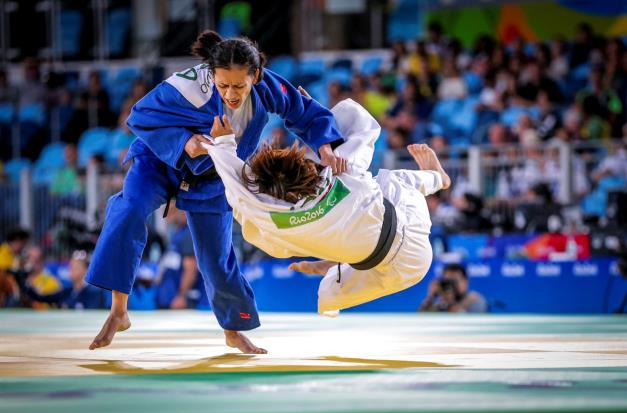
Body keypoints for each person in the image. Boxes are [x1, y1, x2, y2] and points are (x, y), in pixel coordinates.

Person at [85, 30, 345, 354]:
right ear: (212, 74)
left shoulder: (267, 87)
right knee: (129, 209)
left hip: (212, 176)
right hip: (159, 160)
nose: (231, 93)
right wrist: (184, 142)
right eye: (223, 85)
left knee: (216, 256)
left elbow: (303, 109)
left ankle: (234, 329)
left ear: (257, 75)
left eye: (239, 85)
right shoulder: (187, 86)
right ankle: (119, 310)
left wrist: (325, 146)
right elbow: (140, 116)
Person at [203, 98, 450, 315]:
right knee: (397, 182)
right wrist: (316, 118)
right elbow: (362, 126)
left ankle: (338, 260)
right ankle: (437, 178)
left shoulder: (270, 217)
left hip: (394, 263)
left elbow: (234, 184)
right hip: (411, 248)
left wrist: (224, 143)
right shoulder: (338, 174)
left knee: (328, 296)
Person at [419, 263, 487, 313]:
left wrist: (451, 302)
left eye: (454, 281)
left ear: (465, 282)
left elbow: (466, 323)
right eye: (447, 281)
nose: (451, 285)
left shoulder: (475, 300)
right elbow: (422, 318)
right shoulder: (441, 303)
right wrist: (431, 296)